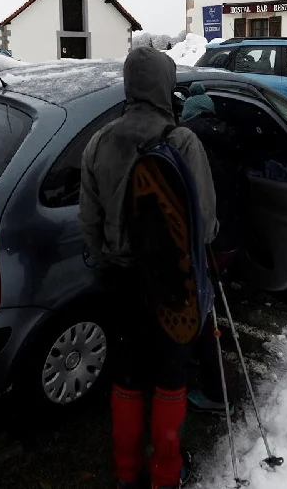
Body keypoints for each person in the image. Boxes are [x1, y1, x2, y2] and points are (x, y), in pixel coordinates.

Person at [80, 47, 218, 489]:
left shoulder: (99, 142)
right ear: (165, 84)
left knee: (127, 374)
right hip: (171, 284)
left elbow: (89, 221)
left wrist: (107, 259)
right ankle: (164, 475)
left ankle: (126, 473)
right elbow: (206, 225)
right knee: (170, 375)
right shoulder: (183, 142)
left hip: (120, 282)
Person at [179, 83, 241, 415]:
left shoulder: (187, 142)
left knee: (204, 315)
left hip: (208, 239)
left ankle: (220, 393)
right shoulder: (229, 135)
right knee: (214, 301)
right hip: (232, 236)